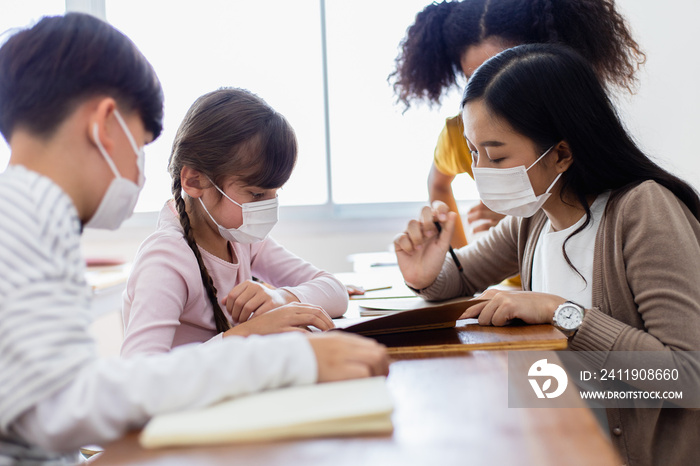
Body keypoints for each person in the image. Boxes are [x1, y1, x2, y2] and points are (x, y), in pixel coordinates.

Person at [0, 13, 388, 464]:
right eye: (142, 143)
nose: (140, 170)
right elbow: (66, 406)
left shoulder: (35, 216)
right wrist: (288, 359)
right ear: (105, 124)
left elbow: (48, 407)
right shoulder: (24, 220)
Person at [394, 43, 700, 466]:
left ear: (561, 153)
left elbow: (687, 377)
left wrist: (562, 312)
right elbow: (458, 279)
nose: (480, 169)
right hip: (556, 436)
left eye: (496, 155)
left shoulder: (644, 209)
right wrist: (425, 273)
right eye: (473, 151)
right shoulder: (535, 215)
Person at [390, 0, 645, 252]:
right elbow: (438, 185)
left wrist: (525, 215)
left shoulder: (635, 204)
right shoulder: (461, 133)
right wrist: (456, 253)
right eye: (474, 78)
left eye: (503, 71)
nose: (489, 89)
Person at [120, 88, 349, 356]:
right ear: (195, 181)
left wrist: (279, 298)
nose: (268, 206)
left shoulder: (240, 239)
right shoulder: (166, 259)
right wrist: (248, 333)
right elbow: (138, 374)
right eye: (256, 194)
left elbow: (335, 291)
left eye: (275, 193)